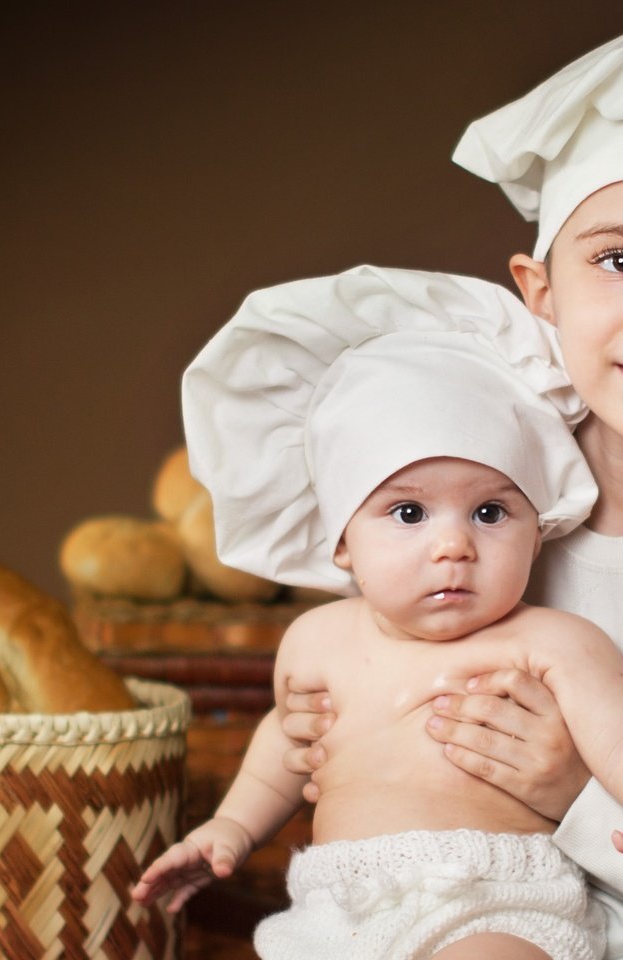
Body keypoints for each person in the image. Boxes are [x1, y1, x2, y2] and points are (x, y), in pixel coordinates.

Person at [133, 266, 623, 959]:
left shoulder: (552, 643)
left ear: (536, 529)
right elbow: (289, 744)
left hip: (497, 903)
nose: (453, 545)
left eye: (490, 512)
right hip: (337, 913)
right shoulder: (316, 641)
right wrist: (232, 829)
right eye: (408, 512)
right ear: (341, 542)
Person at [281, 34, 623, 960]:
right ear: (539, 290)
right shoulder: (468, 511)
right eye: (618, 258)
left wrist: (569, 799)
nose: (456, 540)